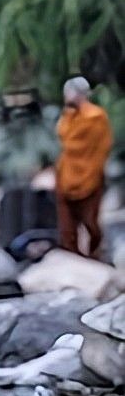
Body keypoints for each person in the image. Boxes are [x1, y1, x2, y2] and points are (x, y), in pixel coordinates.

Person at [54, 76, 113, 259]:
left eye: (69, 93)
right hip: (66, 177)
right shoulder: (68, 117)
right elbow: (64, 140)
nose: (66, 97)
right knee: (67, 225)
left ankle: (95, 254)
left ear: (80, 94)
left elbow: (97, 146)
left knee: (90, 222)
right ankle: (72, 258)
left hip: (89, 176)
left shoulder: (96, 117)